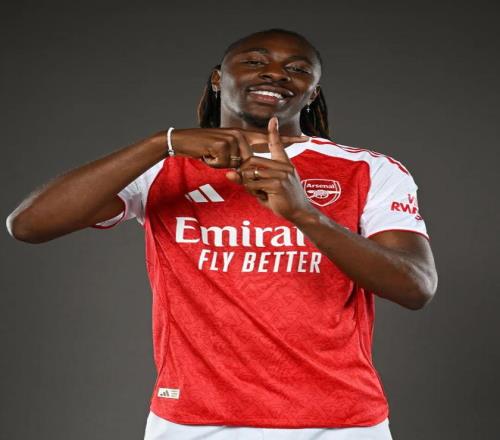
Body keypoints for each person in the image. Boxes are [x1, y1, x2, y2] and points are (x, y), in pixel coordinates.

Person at [6, 28, 438, 440]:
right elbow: (28, 225)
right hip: (195, 421)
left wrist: (304, 214)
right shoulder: (162, 167)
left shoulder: (368, 170)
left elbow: (415, 287)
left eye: (297, 69)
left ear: (312, 93)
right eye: (255, 61)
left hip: (338, 421)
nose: (276, 74)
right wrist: (161, 143)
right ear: (218, 78)